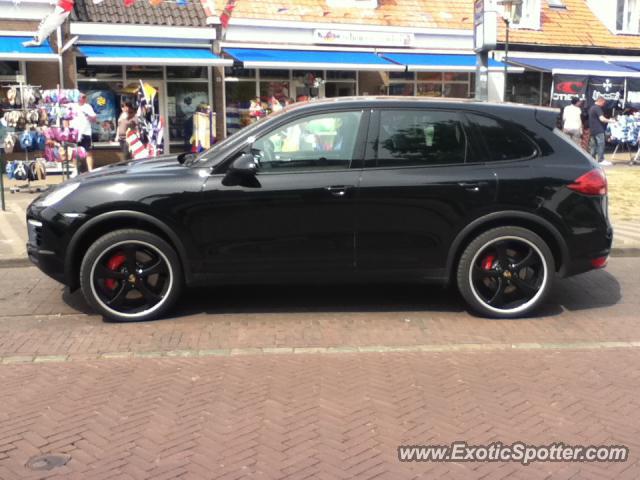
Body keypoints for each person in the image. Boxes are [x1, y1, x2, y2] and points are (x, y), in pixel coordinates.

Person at [72, 93, 97, 171]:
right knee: (74, 152)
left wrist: (90, 117)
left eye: (84, 97)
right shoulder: (73, 106)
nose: (83, 99)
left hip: (86, 132)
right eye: (81, 97)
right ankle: (75, 169)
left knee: (88, 152)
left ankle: (90, 170)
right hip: (75, 133)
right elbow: (67, 118)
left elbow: (94, 119)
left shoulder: (88, 107)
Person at [588, 96, 615, 167]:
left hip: (592, 129)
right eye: (604, 102)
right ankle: (601, 160)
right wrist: (611, 121)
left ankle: (591, 159)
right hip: (598, 129)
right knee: (601, 144)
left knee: (593, 145)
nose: (604, 104)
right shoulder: (597, 108)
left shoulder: (591, 108)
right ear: (600, 101)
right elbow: (602, 119)